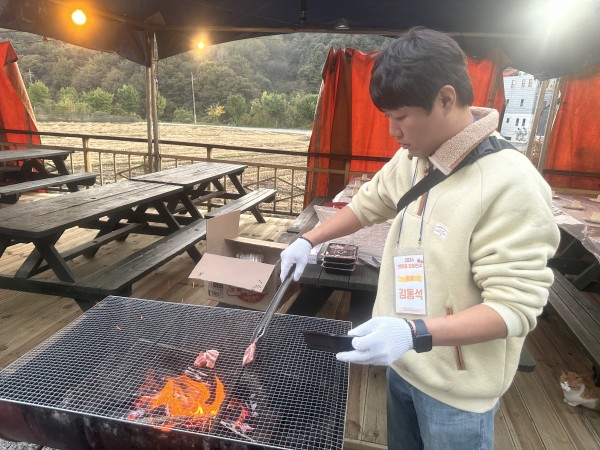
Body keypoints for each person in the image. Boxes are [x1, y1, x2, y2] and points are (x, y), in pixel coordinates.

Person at [280, 27, 560, 450]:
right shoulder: (415, 157)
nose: (394, 131)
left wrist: (412, 332)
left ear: (446, 99)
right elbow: (369, 203)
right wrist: (308, 240)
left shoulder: (512, 184)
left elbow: (514, 309)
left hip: (457, 395)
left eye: (400, 117)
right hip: (403, 365)